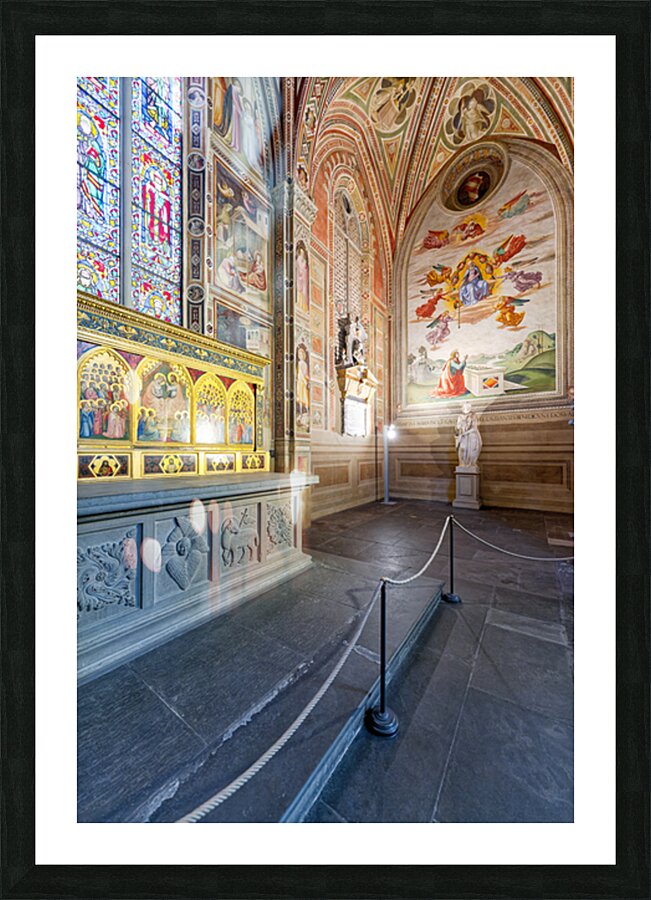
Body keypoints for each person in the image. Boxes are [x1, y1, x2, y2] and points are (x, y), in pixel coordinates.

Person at [455, 401, 483, 466]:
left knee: (471, 451)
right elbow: (457, 427)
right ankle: (463, 463)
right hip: (462, 436)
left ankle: (470, 463)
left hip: (471, 436)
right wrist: (459, 429)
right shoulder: (460, 416)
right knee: (462, 449)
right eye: (465, 406)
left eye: (467, 406)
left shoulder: (473, 415)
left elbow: (474, 428)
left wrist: (466, 432)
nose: (466, 408)